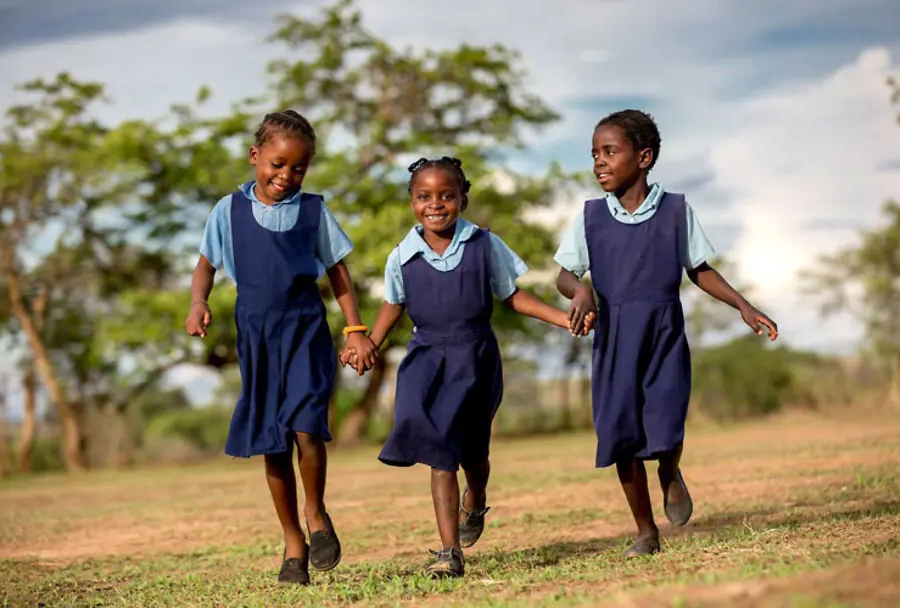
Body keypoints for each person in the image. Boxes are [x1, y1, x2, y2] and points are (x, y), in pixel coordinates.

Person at [342, 156, 593, 578]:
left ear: (462, 198)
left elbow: (511, 295)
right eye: (424, 196)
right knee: (439, 451)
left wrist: (561, 317)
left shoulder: (483, 244)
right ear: (411, 202)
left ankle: (474, 497)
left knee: (473, 452)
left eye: (446, 195)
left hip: (476, 357)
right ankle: (448, 553)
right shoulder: (401, 256)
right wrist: (369, 342)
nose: (435, 204)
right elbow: (394, 305)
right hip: (426, 359)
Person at [554, 109, 778, 557]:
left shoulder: (676, 210)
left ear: (644, 157)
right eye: (594, 153)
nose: (598, 162)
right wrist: (580, 291)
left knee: (667, 422)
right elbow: (564, 274)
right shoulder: (590, 217)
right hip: (615, 338)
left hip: (663, 333)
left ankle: (670, 471)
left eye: (610, 152)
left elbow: (699, 269)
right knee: (621, 434)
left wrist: (743, 306)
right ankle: (645, 531)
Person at [184, 110, 376, 585]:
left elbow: (338, 273)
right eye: (276, 164)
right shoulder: (227, 211)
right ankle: (293, 542)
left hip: (306, 330)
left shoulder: (313, 211)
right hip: (257, 337)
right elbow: (206, 264)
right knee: (273, 440)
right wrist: (197, 302)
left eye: (298, 168)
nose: (285, 176)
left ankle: (316, 512)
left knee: (308, 429)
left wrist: (355, 330)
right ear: (255, 157)